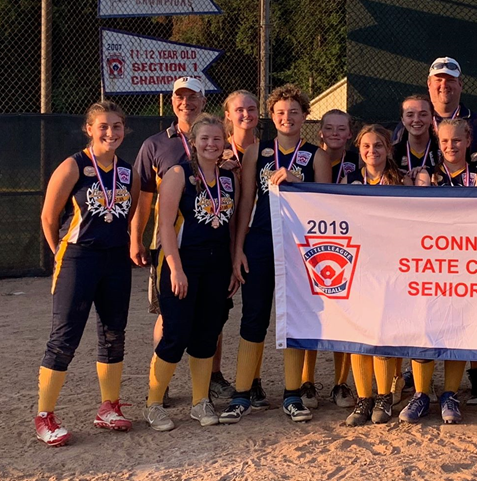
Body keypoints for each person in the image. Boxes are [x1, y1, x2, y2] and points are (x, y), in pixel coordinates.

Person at [222, 84, 332, 424]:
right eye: (281, 112)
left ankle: (292, 394)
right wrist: (238, 248)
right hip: (261, 240)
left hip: (300, 246)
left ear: (304, 116)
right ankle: (241, 394)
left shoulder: (317, 155)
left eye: (294, 112)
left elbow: (327, 205)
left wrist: (301, 182)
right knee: (253, 316)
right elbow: (244, 204)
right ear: (272, 115)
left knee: (296, 317)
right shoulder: (257, 151)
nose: (287, 117)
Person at [35, 101, 139, 446]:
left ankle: (108, 407)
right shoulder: (72, 166)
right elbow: (49, 217)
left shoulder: (127, 172)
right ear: (90, 129)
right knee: (64, 337)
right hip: (78, 257)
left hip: (115, 259)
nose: (111, 133)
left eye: (117, 126)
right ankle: (45, 415)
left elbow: (131, 211)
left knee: (113, 333)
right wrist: (61, 253)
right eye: (104, 126)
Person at [130, 77, 234, 405]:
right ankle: (161, 388)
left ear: (204, 101)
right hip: (173, 247)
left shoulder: (225, 153)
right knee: (170, 316)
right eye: (180, 97)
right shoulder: (156, 145)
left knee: (211, 318)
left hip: (213, 250)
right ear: (173, 101)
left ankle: (209, 381)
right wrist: (136, 237)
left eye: (193, 97)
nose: (186, 103)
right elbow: (145, 197)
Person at [143, 113, 240, 432]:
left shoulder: (229, 178)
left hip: (216, 263)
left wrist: (231, 264)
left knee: (207, 333)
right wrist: (175, 269)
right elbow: (166, 227)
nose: (212, 144)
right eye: (205, 139)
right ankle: (154, 404)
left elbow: (230, 224)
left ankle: (201, 402)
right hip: (181, 261)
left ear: (225, 141)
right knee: (176, 332)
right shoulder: (178, 174)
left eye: (217, 139)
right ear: (193, 143)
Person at [398, 119, 477, 425]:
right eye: (445, 141)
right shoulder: (426, 175)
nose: (451, 146)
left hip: (465, 262)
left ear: (468, 141)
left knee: (456, 327)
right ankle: (421, 394)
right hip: (431, 262)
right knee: (423, 324)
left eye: (457, 141)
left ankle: (450, 393)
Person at [340, 125, 409, 425]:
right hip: (358, 264)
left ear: (388, 149)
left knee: (383, 329)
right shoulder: (348, 180)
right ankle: (363, 398)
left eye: (378, 145)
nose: (372, 151)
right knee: (359, 331)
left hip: (390, 265)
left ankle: (384, 395)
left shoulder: (401, 181)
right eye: (366, 146)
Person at [302, 108, 357, 409]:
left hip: (349, 243)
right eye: (329, 128)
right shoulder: (309, 159)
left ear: (350, 133)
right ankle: (306, 381)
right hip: (313, 242)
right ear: (320, 132)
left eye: (341, 129)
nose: (335, 133)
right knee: (312, 311)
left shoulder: (359, 161)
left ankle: (341, 383)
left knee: (344, 312)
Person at [393, 57, 477, 153]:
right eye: (438, 80)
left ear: (460, 84)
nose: (444, 85)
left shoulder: (476, 123)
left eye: (450, 80)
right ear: (429, 84)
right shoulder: (410, 125)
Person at [392, 95, 441, 180]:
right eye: (410, 115)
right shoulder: (393, 153)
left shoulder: (443, 151)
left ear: (432, 119)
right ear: (403, 120)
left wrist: (430, 172)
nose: (416, 119)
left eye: (423, 114)